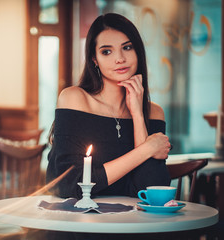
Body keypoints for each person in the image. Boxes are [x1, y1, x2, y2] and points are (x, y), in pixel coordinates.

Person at [46, 13, 172, 199]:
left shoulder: (154, 112)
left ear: (138, 52)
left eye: (127, 48)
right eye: (107, 51)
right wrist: (147, 149)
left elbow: (150, 190)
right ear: (94, 59)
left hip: (133, 222)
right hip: (76, 219)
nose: (120, 58)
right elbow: (69, 185)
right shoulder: (75, 98)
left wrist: (137, 115)